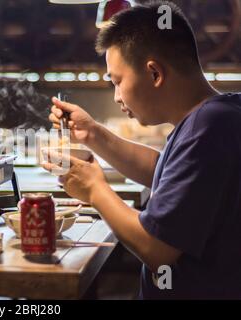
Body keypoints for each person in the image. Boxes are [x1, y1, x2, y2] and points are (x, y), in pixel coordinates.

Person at [43, 0, 241, 299]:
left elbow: (156, 248)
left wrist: (96, 190)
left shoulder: (210, 127)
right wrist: (93, 133)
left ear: (154, 74)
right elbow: (163, 171)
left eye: (117, 81)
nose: (117, 96)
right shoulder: (215, 115)